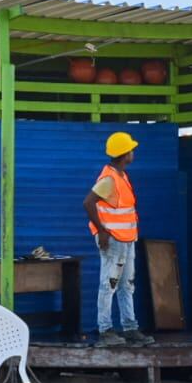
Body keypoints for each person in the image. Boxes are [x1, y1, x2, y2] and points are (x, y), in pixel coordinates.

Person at [83, 132, 151, 347]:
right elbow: (88, 202)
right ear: (124, 154)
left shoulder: (121, 176)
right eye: (130, 149)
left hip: (126, 240)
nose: (133, 152)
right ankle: (105, 330)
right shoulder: (110, 178)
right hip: (113, 241)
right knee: (109, 284)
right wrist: (102, 231)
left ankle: (130, 328)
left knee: (126, 285)